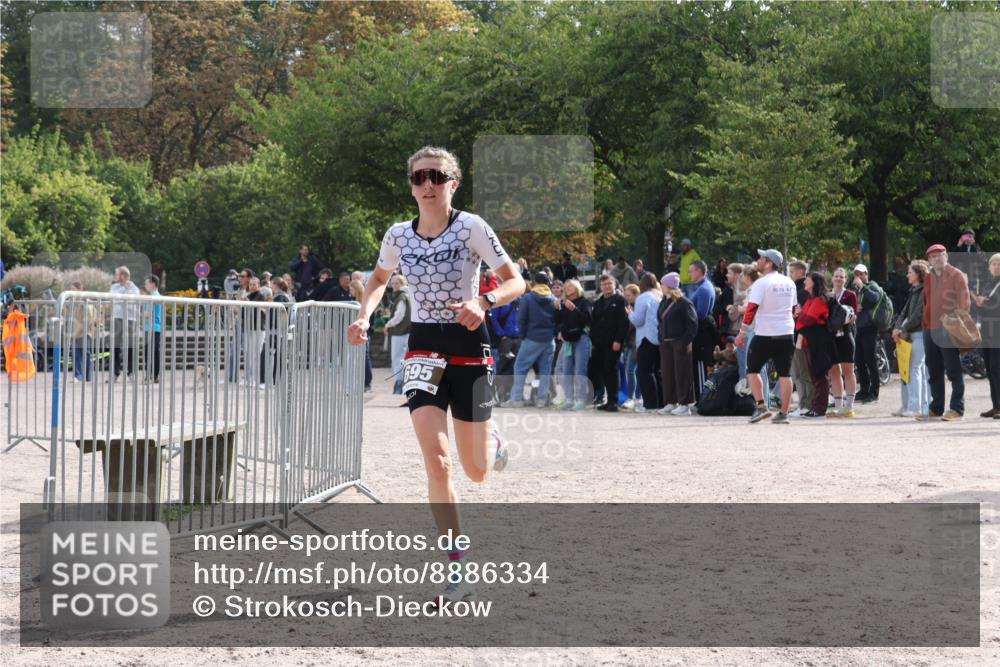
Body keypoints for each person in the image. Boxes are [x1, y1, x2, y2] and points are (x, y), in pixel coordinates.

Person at [347, 146, 524, 605]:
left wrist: (483, 302)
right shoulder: (397, 235)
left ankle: (492, 440)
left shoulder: (471, 227)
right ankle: (458, 570)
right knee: (438, 461)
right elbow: (378, 279)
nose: (428, 184)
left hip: (469, 341)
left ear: (453, 184)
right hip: (424, 345)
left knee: (477, 471)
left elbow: (515, 281)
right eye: (420, 177)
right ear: (411, 186)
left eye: (437, 176)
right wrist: (364, 315)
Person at [734, 249, 797, 424]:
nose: (758, 261)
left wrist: (742, 333)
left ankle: (762, 407)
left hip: (765, 333)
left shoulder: (761, 283)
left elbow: (751, 309)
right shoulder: (789, 282)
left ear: (769, 263)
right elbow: (794, 309)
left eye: (762, 258)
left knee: (752, 370)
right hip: (786, 333)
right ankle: (783, 413)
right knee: (785, 374)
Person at [922, 244, 971, 421]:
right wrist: (925, 325)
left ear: (946, 256)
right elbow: (926, 302)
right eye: (932, 257)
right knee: (934, 370)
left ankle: (957, 408)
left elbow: (965, 303)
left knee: (953, 370)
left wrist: (955, 323)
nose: (936, 259)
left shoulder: (957, 275)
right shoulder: (928, 277)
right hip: (929, 329)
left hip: (948, 328)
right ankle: (936, 408)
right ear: (929, 260)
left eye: (939, 255)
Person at [505, 273, 558, 408]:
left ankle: (516, 399)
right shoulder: (553, 298)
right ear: (548, 283)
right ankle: (541, 400)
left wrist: (523, 336)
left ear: (535, 282)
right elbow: (558, 319)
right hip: (549, 339)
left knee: (520, 367)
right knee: (545, 371)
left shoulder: (528, 298)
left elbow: (521, 319)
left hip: (532, 337)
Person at [891, 260, 930, 418]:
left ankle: (915, 407)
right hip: (909, 335)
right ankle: (907, 405)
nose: (907, 275)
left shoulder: (924, 290)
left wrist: (902, 329)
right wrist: (897, 328)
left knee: (914, 369)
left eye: (910, 272)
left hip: (919, 334)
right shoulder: (913, 290)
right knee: (906, 369)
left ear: (918, 274)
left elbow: (918, 315)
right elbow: (904, 313)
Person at [656, 273, 698, 415]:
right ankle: (671, 402)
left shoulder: (684, 302)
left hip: (680, 343)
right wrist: (661, 338)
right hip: (666, 343)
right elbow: (660, 322)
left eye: (662, 284)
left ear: (669, 285)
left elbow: (692, 324)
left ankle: (685, 404)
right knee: (667, 373)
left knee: (683, 373)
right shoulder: (664, 301)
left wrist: (683, 341)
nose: (660, 286)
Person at [794, 272, 834, 417]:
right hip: (812, 340)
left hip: (819, 340)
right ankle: (815, 406)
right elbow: (803, 319)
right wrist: (800, 316)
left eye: (808, 279)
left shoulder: (819, 300)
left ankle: (819, 408)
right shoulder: (811, 299)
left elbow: (808, 320)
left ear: (814, 283)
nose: (805, 281)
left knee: (820, 373)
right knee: (814, 374)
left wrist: (800, 315)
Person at [590, 274, 629, 412]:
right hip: (599, 342)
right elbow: (594, 322)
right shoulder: (598, 302)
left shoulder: (621, 301)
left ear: (614, 285)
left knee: (611, 370)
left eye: (609, 284)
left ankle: (614, 401)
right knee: (601, 370)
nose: (606, 286)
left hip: (614, 342)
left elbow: (624, 323)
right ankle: (607, 400)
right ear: (600, 287)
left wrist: (619, 340)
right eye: (604, 284)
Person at [553, 278, 592, 410]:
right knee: (566, 371)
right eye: (566, 286)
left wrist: (575, 309)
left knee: (580, 370)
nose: (567, 288)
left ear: (577, 288)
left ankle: (581, 400)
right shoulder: (563, 303)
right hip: (568, 340)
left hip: (581, 338)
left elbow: (588, 320)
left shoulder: (584, 302)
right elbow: (558, 321)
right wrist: (557, 309)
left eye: (570, 286)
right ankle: (569, 399)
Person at [827, 267, 860, 418]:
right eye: (836, 276)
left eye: (842, 276)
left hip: (846, 335)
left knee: (848, 370)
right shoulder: (828, 294)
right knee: (834, 371)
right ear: (832, 278)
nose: (839, 279)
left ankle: (849, 407)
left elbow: (853, 316)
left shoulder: (850, 295)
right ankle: (838, 406)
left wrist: (843, 319)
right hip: (831, 337)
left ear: (846, 279)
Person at [628, 273, 664, 412]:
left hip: (646, 338)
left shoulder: (643, 297)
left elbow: (638, 321)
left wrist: (630, 314)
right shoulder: (660, 295)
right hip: (659, 338)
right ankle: (661, 403)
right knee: (657, 371)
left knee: (644, 371)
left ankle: (650, 404)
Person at [852, 264, 885, 403]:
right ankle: (864, 390)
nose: (859, 277)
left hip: (870, 327)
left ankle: (874, 392)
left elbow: (874, 298)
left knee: (870, 360)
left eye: (861, 274)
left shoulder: (872, 286)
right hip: (858, 327)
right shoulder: (855, 289)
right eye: (856, 274)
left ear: (866, 274)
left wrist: (863, 287)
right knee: (859, 360)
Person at [974, 253, 1000, 419]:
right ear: (989, 267)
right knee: (990, 370)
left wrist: (984, 302)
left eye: (999, 264)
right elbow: (982, 308)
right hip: (987, 332)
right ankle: (996, 405)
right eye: (994, 264)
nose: (996, 267)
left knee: (997, 368)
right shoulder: (988, 284)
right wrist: (979, 303)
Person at [788, 260, 814, 415]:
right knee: (796, 373)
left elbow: (806, 314)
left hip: (801, 336)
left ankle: (807, 404)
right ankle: (802, 403)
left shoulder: (803, 291)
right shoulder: (794, 288)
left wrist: (797, 312)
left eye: (792, 271)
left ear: (800, 272)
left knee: (803, 372)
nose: (790, 274)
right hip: (793, 334)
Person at [688, 259, 717, 396]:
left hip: (702, 332)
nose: (689, 274)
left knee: (700, 365)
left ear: (699, 271)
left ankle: (702, 399)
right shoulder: (702, 287)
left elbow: (701, 314)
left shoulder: (704, 288)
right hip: (700, 331)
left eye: (691, 271)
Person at [383, 274, 413, 396]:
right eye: (393, 283)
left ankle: (399, 386)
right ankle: (402, 385)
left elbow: (399, 316)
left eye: (397, 283)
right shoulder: (407, 295)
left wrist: (388, 325)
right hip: (405, 331)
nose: (394, 285)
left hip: (400, 331)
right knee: (402, 358)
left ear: (402, 284)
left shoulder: (402, 296)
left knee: (398, 358)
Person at [110, 266, 140, 380]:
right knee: (115, 346)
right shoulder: (114, 287)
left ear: (123, 276)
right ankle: (115, 372)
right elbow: (114, 299)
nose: (115, 276)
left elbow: (132, 303)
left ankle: (131, 372)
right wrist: (125, 294)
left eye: (117, 274)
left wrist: (123, 296)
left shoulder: (135, 289)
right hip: (117, 318)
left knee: (131, 346)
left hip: (131, 319)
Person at [68, 281, 98, 382]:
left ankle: (84, 376)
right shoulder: (75, 302)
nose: (72, 292)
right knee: (79, 354)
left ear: (80, 289)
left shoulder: (84, 302)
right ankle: (81, 375)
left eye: (73, 289)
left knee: (84, 354)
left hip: (84, 332)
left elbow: (89, 318)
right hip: (79, 332)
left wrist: (81, 329)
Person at [620, 283, 641, 409]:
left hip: (635, 342)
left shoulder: (638, 306)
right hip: (628, 342)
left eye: (628, 295)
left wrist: (629, 316)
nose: (626, 298)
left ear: (636, 294)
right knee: (633, 370)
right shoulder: (628, 306)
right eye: (625, 295)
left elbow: (634, 324)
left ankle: (632, 397)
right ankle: (637, 397)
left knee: (631, 369)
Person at [142, 275, 163, 383]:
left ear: (152, 284)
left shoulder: (153, 297)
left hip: (152, 327)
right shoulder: (155, 296)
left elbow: (147, 313)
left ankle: (151, 375)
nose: (145, 285)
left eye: (146, 283)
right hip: (154, 327)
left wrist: (140, 314)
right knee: (153, 352)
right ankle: (153, 375)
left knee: (150, 352)